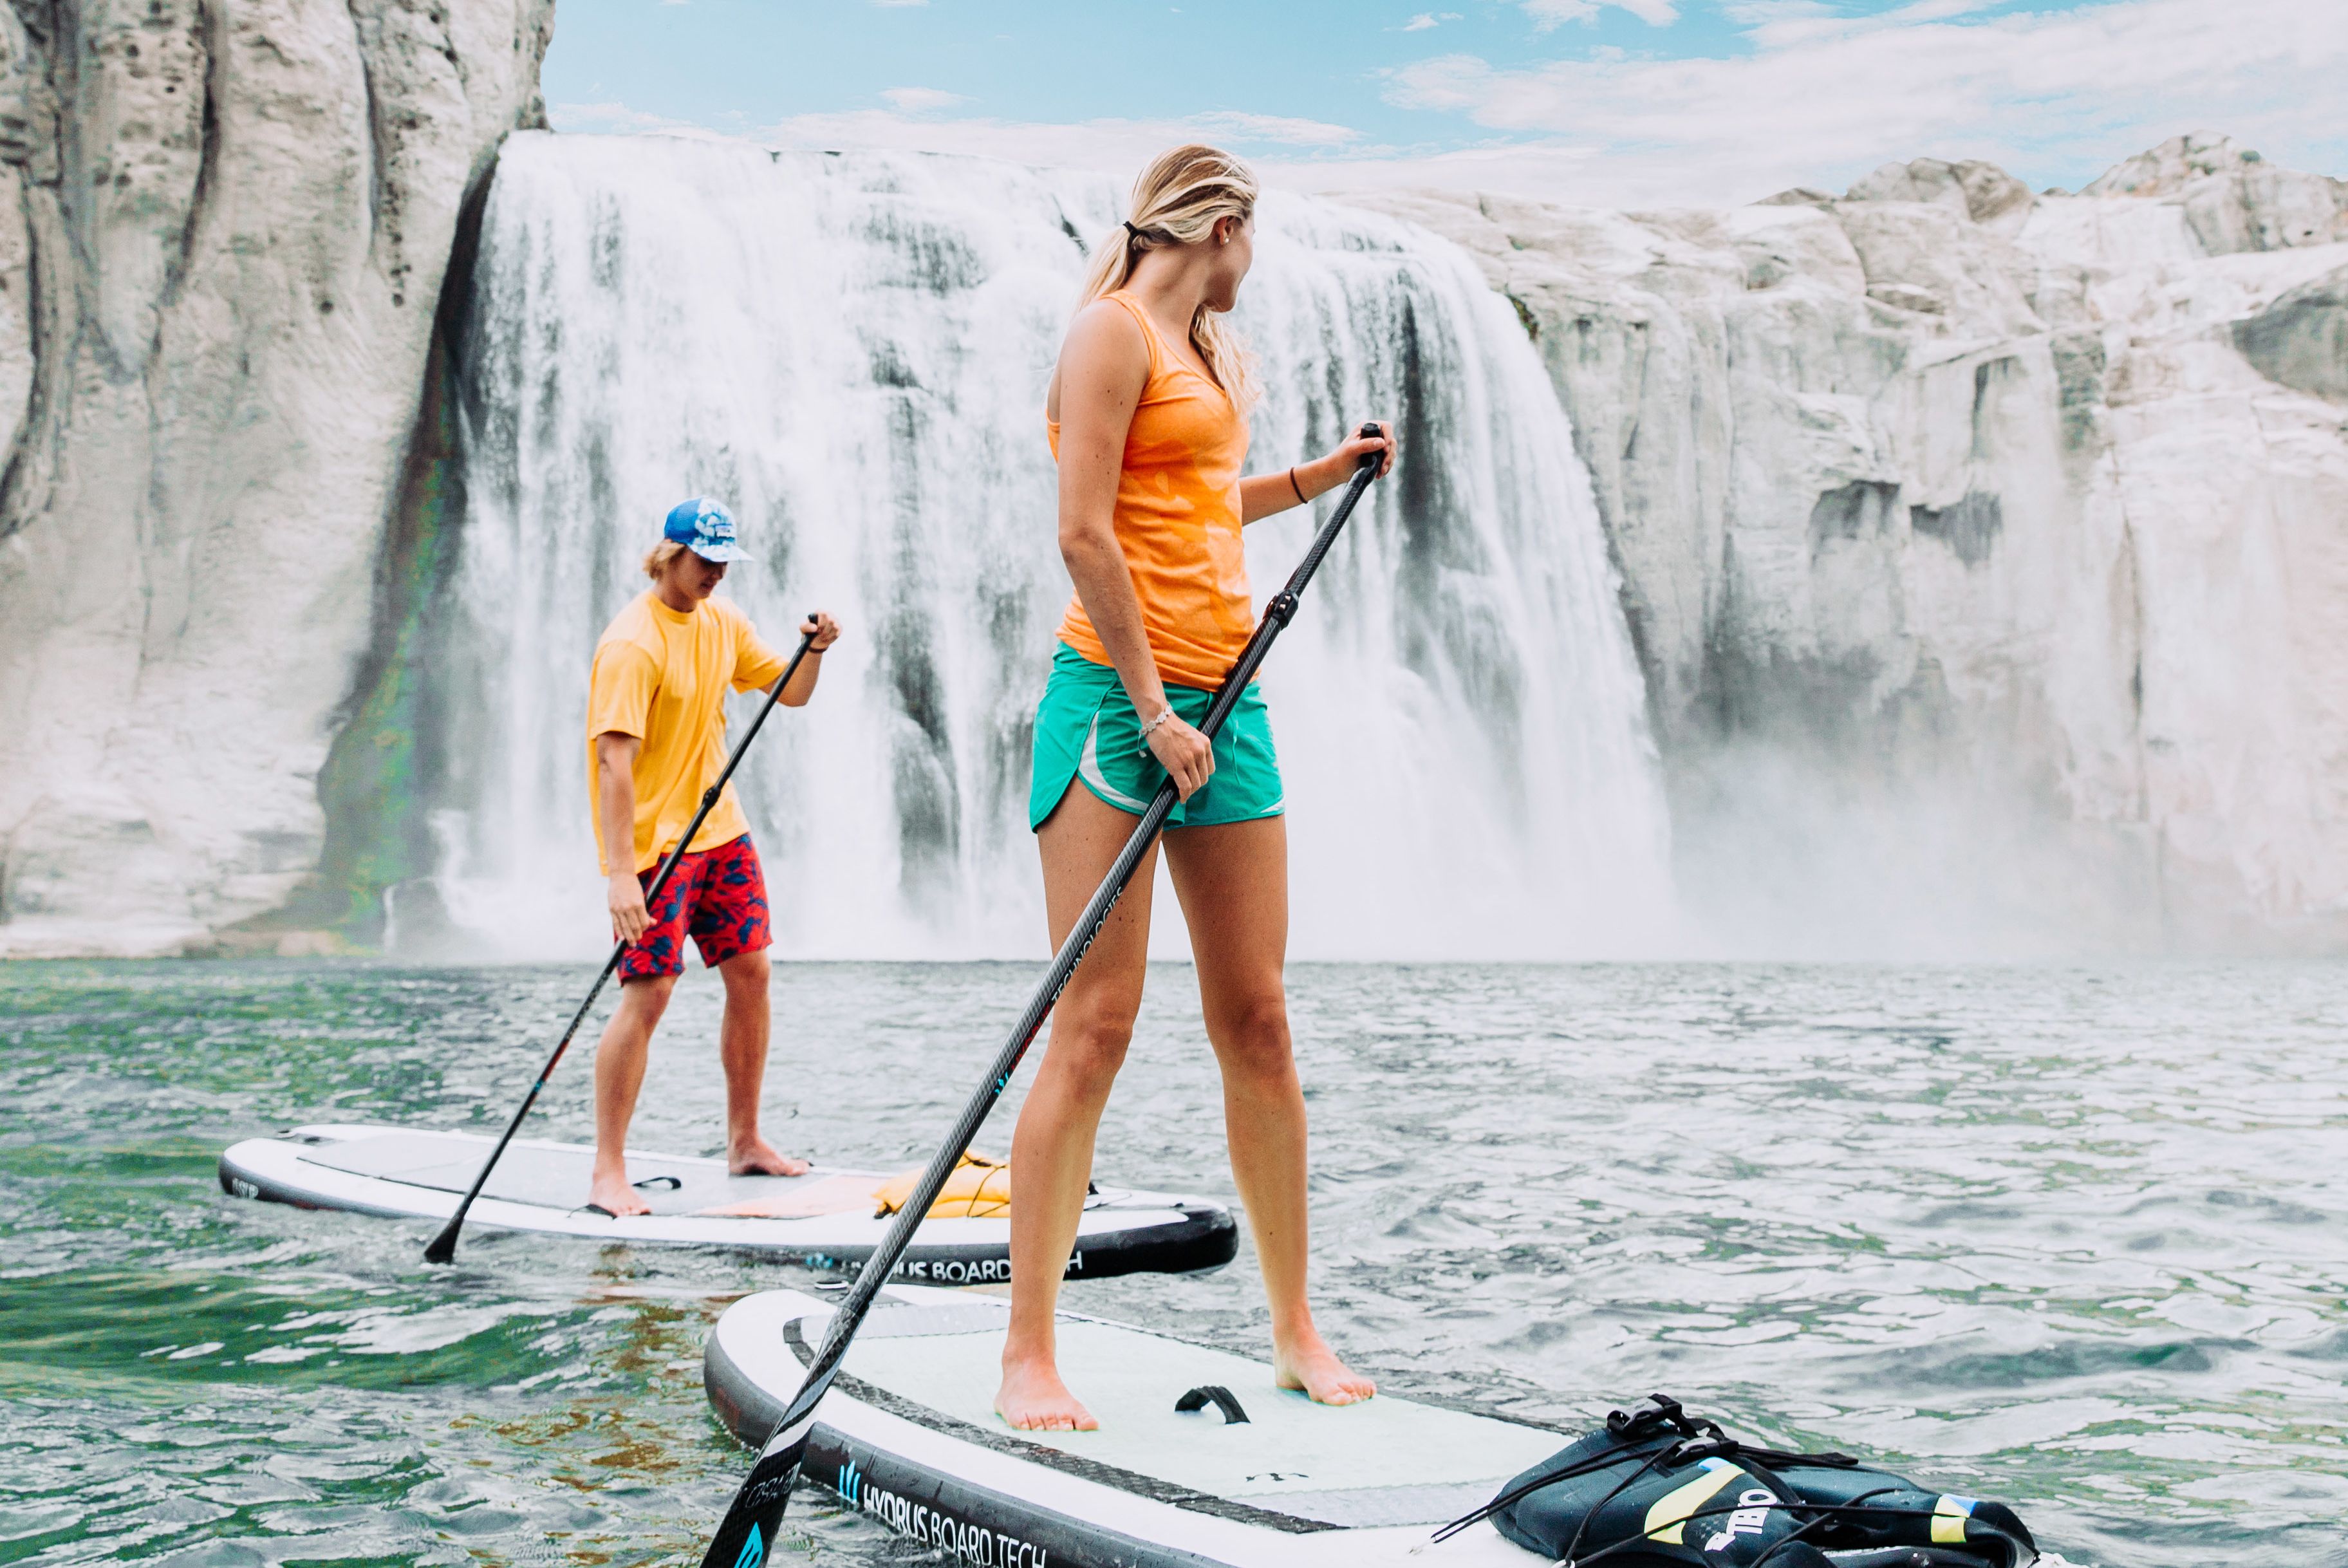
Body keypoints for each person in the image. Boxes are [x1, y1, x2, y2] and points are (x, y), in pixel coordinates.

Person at [996, 145, 1397, 1431]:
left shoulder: (1209, 356)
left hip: (1232, 703)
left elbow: (1208, 507)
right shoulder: (1108, 335)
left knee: (1259, 1020)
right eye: (1250, 244)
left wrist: (1326, 475)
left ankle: (1292, 1326)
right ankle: (1029, 1354)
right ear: (1222, 226)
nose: (1252, 268)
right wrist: (1155, 706)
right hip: (1119, 705)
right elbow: (1082, 529)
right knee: (1097, 1026)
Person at [582, 497, 841, 1218]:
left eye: (725, 561)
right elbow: (613, 762)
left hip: (719, 830)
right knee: (651, 992)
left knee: (752, 973)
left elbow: (788, 695)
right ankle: (608, 1171)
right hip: (656, 847)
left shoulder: (724, 622)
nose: (717, 574)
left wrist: (813, 652)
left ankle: (746, 1141)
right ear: (668, 555)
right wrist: (621, 873)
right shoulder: (633, 644)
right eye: (705, 560)